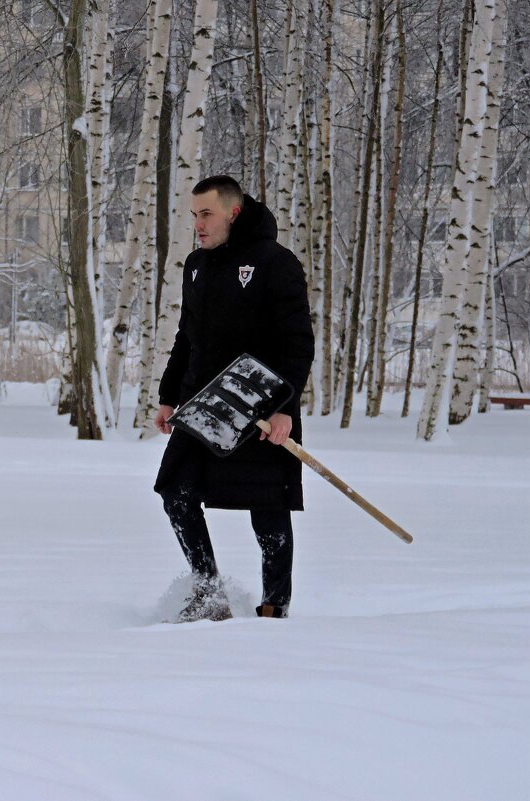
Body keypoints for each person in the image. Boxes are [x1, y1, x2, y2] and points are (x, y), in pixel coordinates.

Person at [153, 175, 314, 622]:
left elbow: (297, 342)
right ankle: (208, 593)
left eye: (206, 214)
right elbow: (187, 338)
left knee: (268, 511)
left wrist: (283, 408)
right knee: (175, 492)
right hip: (202, 405)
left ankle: (273, 607)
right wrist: (169, 396)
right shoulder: (196, 265)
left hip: (262, 406)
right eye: (194, 216)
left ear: (233, 212)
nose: (198, 225)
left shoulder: (276, 264)